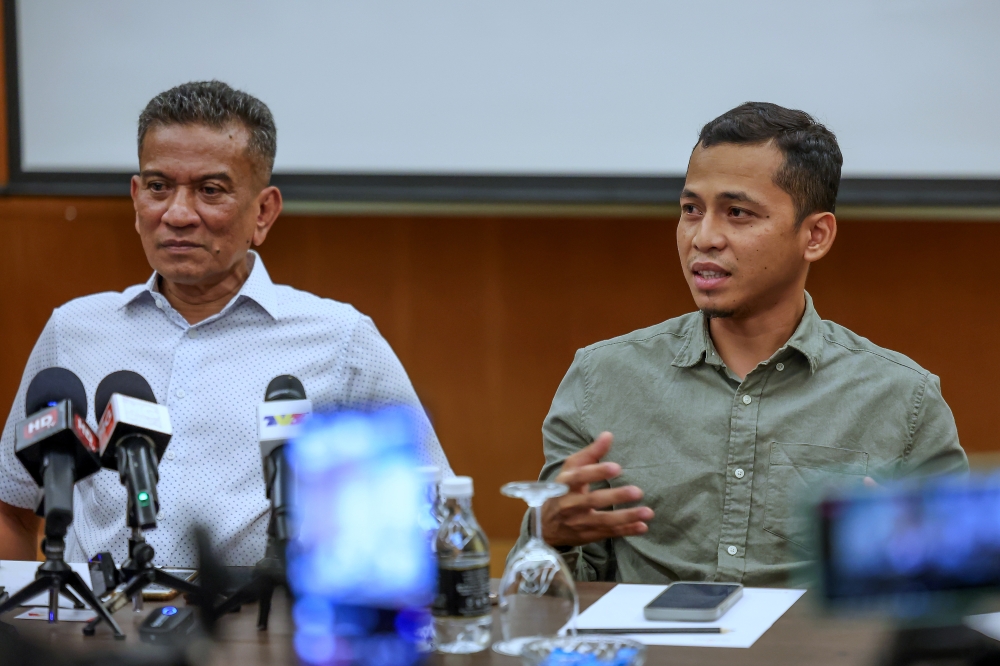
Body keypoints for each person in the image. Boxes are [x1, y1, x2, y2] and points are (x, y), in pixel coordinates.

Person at [0, 81, 451, 566]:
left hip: (259, 629)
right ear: (135, 199)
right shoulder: (74, 331)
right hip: (98, 628)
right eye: (158, 187)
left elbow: (435, 514)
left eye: (210, 191)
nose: (176, 214)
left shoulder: (342, 342)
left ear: (264, 212)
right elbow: (12, 507)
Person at [525, 102, 968, 587]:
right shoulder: (601, 378)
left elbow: (959, 592)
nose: (704, 237)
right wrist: (549, 536)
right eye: (691, 210)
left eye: (737, 213)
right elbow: (550, 595)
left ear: (815, 236)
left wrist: (910, 561)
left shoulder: (903, 398)